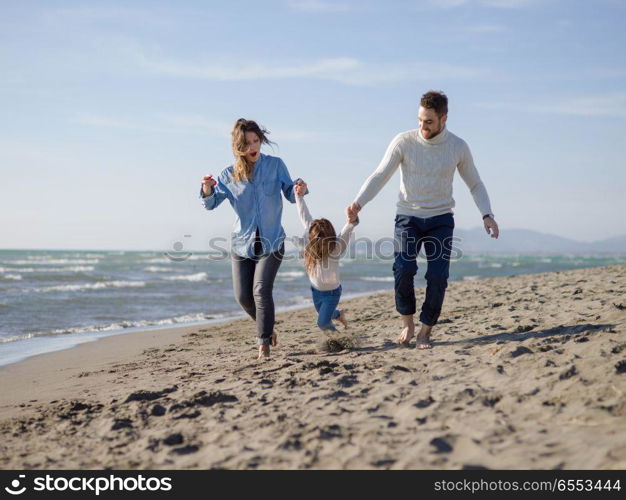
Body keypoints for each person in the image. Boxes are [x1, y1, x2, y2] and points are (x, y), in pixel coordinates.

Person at [346, 91, 499, 349]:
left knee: (438, 276)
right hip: (408, 217)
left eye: (428, 121)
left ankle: (426, 331)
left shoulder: (458, 147)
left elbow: (475, 183)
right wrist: (358, 202)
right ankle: (407, 324)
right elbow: (380, 174)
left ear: (443, 119)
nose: (422, 126)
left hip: (440, 219)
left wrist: (487, 214)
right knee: (403, 269)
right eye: (419, 120)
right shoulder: (403, 142)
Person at [200, 118, 308, 359]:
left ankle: (263, 345)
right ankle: (267, 328)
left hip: (272, 241)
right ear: (238, 146)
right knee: (243, 297)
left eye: (256, 141)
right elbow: (211, 203)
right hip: (242, 243)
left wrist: (300, 188)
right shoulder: (228, 175)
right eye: (247, 143)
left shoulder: (276, 165)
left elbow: (291, 193)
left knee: (261, 290)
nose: (252, 147)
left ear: (261, 141)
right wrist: (207, 188)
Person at [293, 183, 358, 333]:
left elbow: (347, 230)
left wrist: (351, 221)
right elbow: (304, 216)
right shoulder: (309, 247)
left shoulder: (336, 248)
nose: (320, 242)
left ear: (330, 238)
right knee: (325, 314)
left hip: (332, 293)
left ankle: (337, 340)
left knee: (322, 322)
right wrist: (299, 196)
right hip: (315, 291)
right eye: (317, 239)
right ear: (312, 238)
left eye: (324, 239)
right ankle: (338, 314)